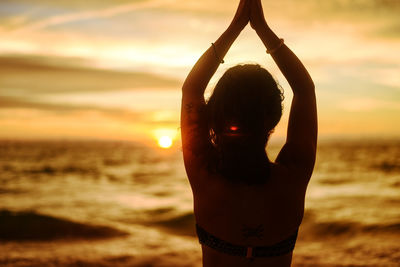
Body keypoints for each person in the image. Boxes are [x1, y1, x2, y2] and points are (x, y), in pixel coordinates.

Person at [181, 0, 317, 266]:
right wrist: (262, 29)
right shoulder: (293, 176)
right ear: (273, 118)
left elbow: (192, 89)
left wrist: (236, 26)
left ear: (215, 116)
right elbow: (304, 89)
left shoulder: (204, 176)